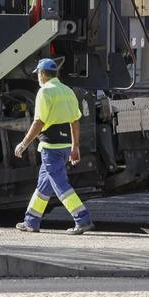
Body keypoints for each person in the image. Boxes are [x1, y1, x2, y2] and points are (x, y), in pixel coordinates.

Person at [14, 58, 94, 235]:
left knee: (60, 185)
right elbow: (75, 122)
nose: (38, 78)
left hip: (51, 147)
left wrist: (24, 143)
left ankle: (82, 219)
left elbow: (39, 122)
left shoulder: (44, 92)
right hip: (65, 147)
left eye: (38, 74)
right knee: (44, 186)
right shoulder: (67, 91)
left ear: (42, 74)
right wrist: (75, 146)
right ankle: (31, 221)